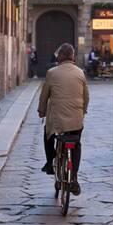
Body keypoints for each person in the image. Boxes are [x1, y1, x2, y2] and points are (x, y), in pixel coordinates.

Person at [37, 43, 89, 196]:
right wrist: (83, 111)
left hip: (57, 121)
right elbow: (86, 96)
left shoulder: (51, 73)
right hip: (75, 120)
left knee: (48, 137)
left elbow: (44, 96)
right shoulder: (80, 73)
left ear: (59, 56)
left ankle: (50, 163)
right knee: (77, 144)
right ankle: (73, 177)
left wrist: (42, 111)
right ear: (72, 56)